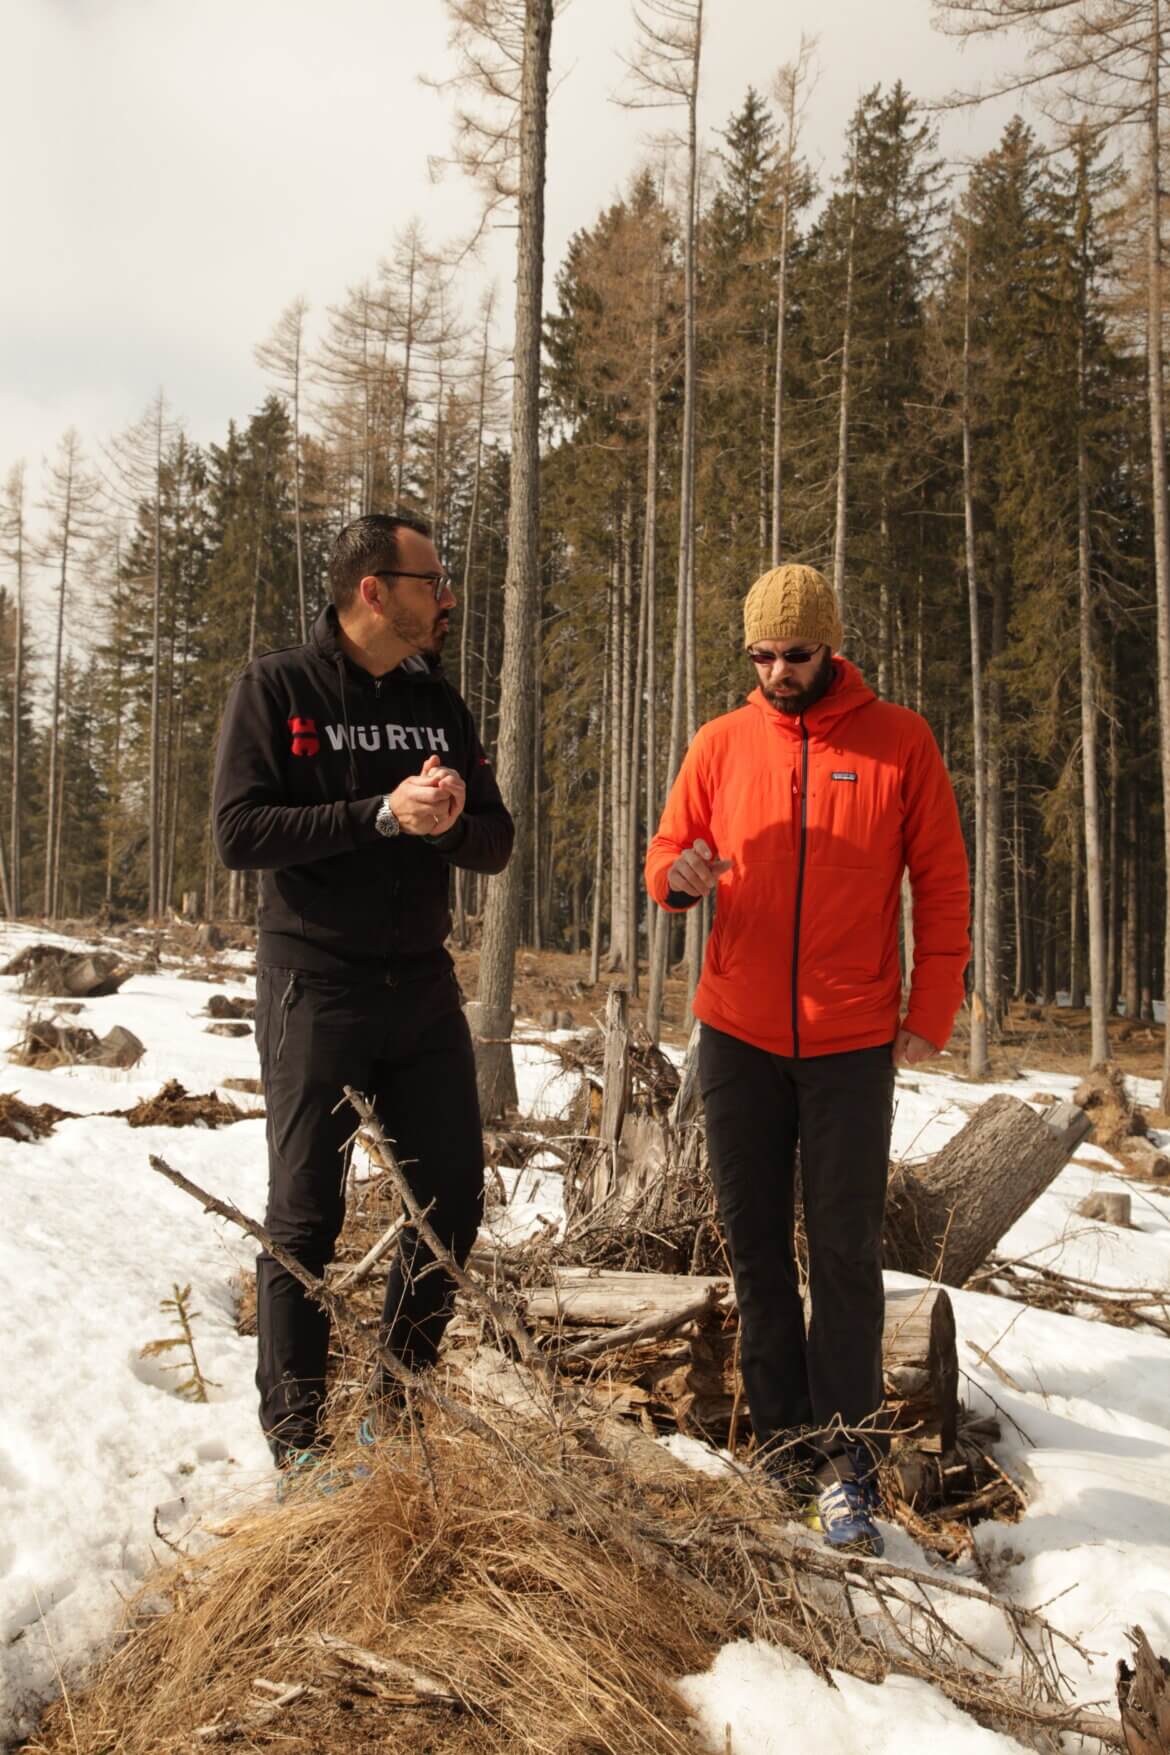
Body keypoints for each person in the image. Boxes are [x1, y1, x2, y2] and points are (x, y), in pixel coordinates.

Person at [644, 563, 969, 1556]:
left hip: (851, 1042)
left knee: (843, 1254)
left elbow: (942, 882)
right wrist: (680, 878)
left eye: (794, 652)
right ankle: (781, 1447)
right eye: (760, 655)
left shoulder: (899, 741)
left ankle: (848, 1467)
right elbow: (665, 857)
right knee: (752, 1246)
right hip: (735, 1034)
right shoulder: (721, 743)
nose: (777, 670)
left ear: (829, 644)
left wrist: (933, 1006)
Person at [212, 511, 513, 1475]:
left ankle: (394, 1403)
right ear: (375, 591)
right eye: (433, 580)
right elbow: (239, 832)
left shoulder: (439, 704)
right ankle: (298, 1451)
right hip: (316, 982)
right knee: (305, 1217)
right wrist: (378, 814)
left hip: (420, 986)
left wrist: (453, 820)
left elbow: (496, 843)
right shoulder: (277, 687)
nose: (448, 597)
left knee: (453, 1200)